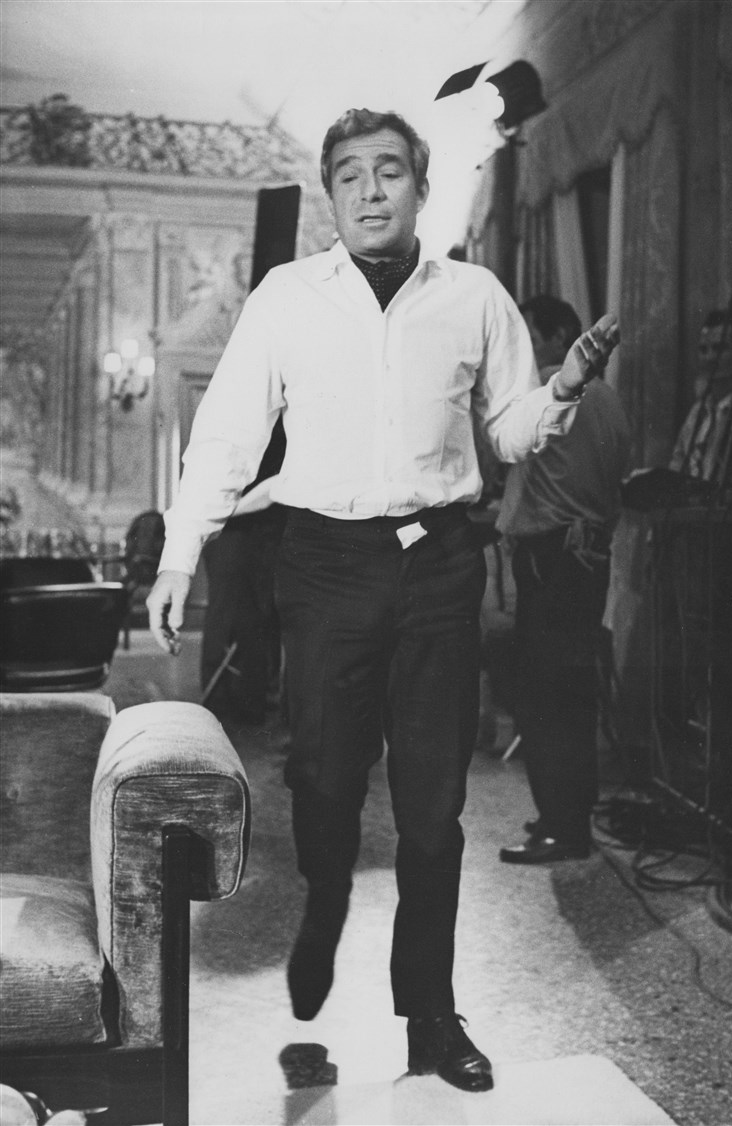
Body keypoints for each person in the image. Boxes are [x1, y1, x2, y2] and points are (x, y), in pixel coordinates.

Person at [147, 109, 619, 1093]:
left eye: (389, 170)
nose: (370, 189)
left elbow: (509, 426)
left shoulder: (474, 296)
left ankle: (430, 1015)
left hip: (439, 562)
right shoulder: (288, 297)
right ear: (331, 195)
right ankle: (323, 896)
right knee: (325, 780)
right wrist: (179, 555)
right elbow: (229, 434)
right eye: (350, 174)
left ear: (420, 187)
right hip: (324, 564)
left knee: (434, 805)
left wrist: (565, 387)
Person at [497, 294, 631, 864]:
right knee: (572, 695)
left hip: (550, 558)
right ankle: (568, 813)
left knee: (544, 696)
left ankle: (561, 827)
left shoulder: (551, 394)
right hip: (586, 557)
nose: (526, 350)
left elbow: (509, 452)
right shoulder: (610, 401)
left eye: (531, 337)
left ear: (559, 338)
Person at [200, 417, 286, 723]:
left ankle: (247, 701)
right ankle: (235, 703)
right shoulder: (253, 423)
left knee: (253, 618)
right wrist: (223, 513)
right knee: (240, 618)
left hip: (248, 530)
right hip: (240, 533)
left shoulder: (270, 422)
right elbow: (272, 487)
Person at [669, 309, 732, 486]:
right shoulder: (697, 413)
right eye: (703, 350)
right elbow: (677, 466)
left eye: (720, 348)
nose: (709, 357)